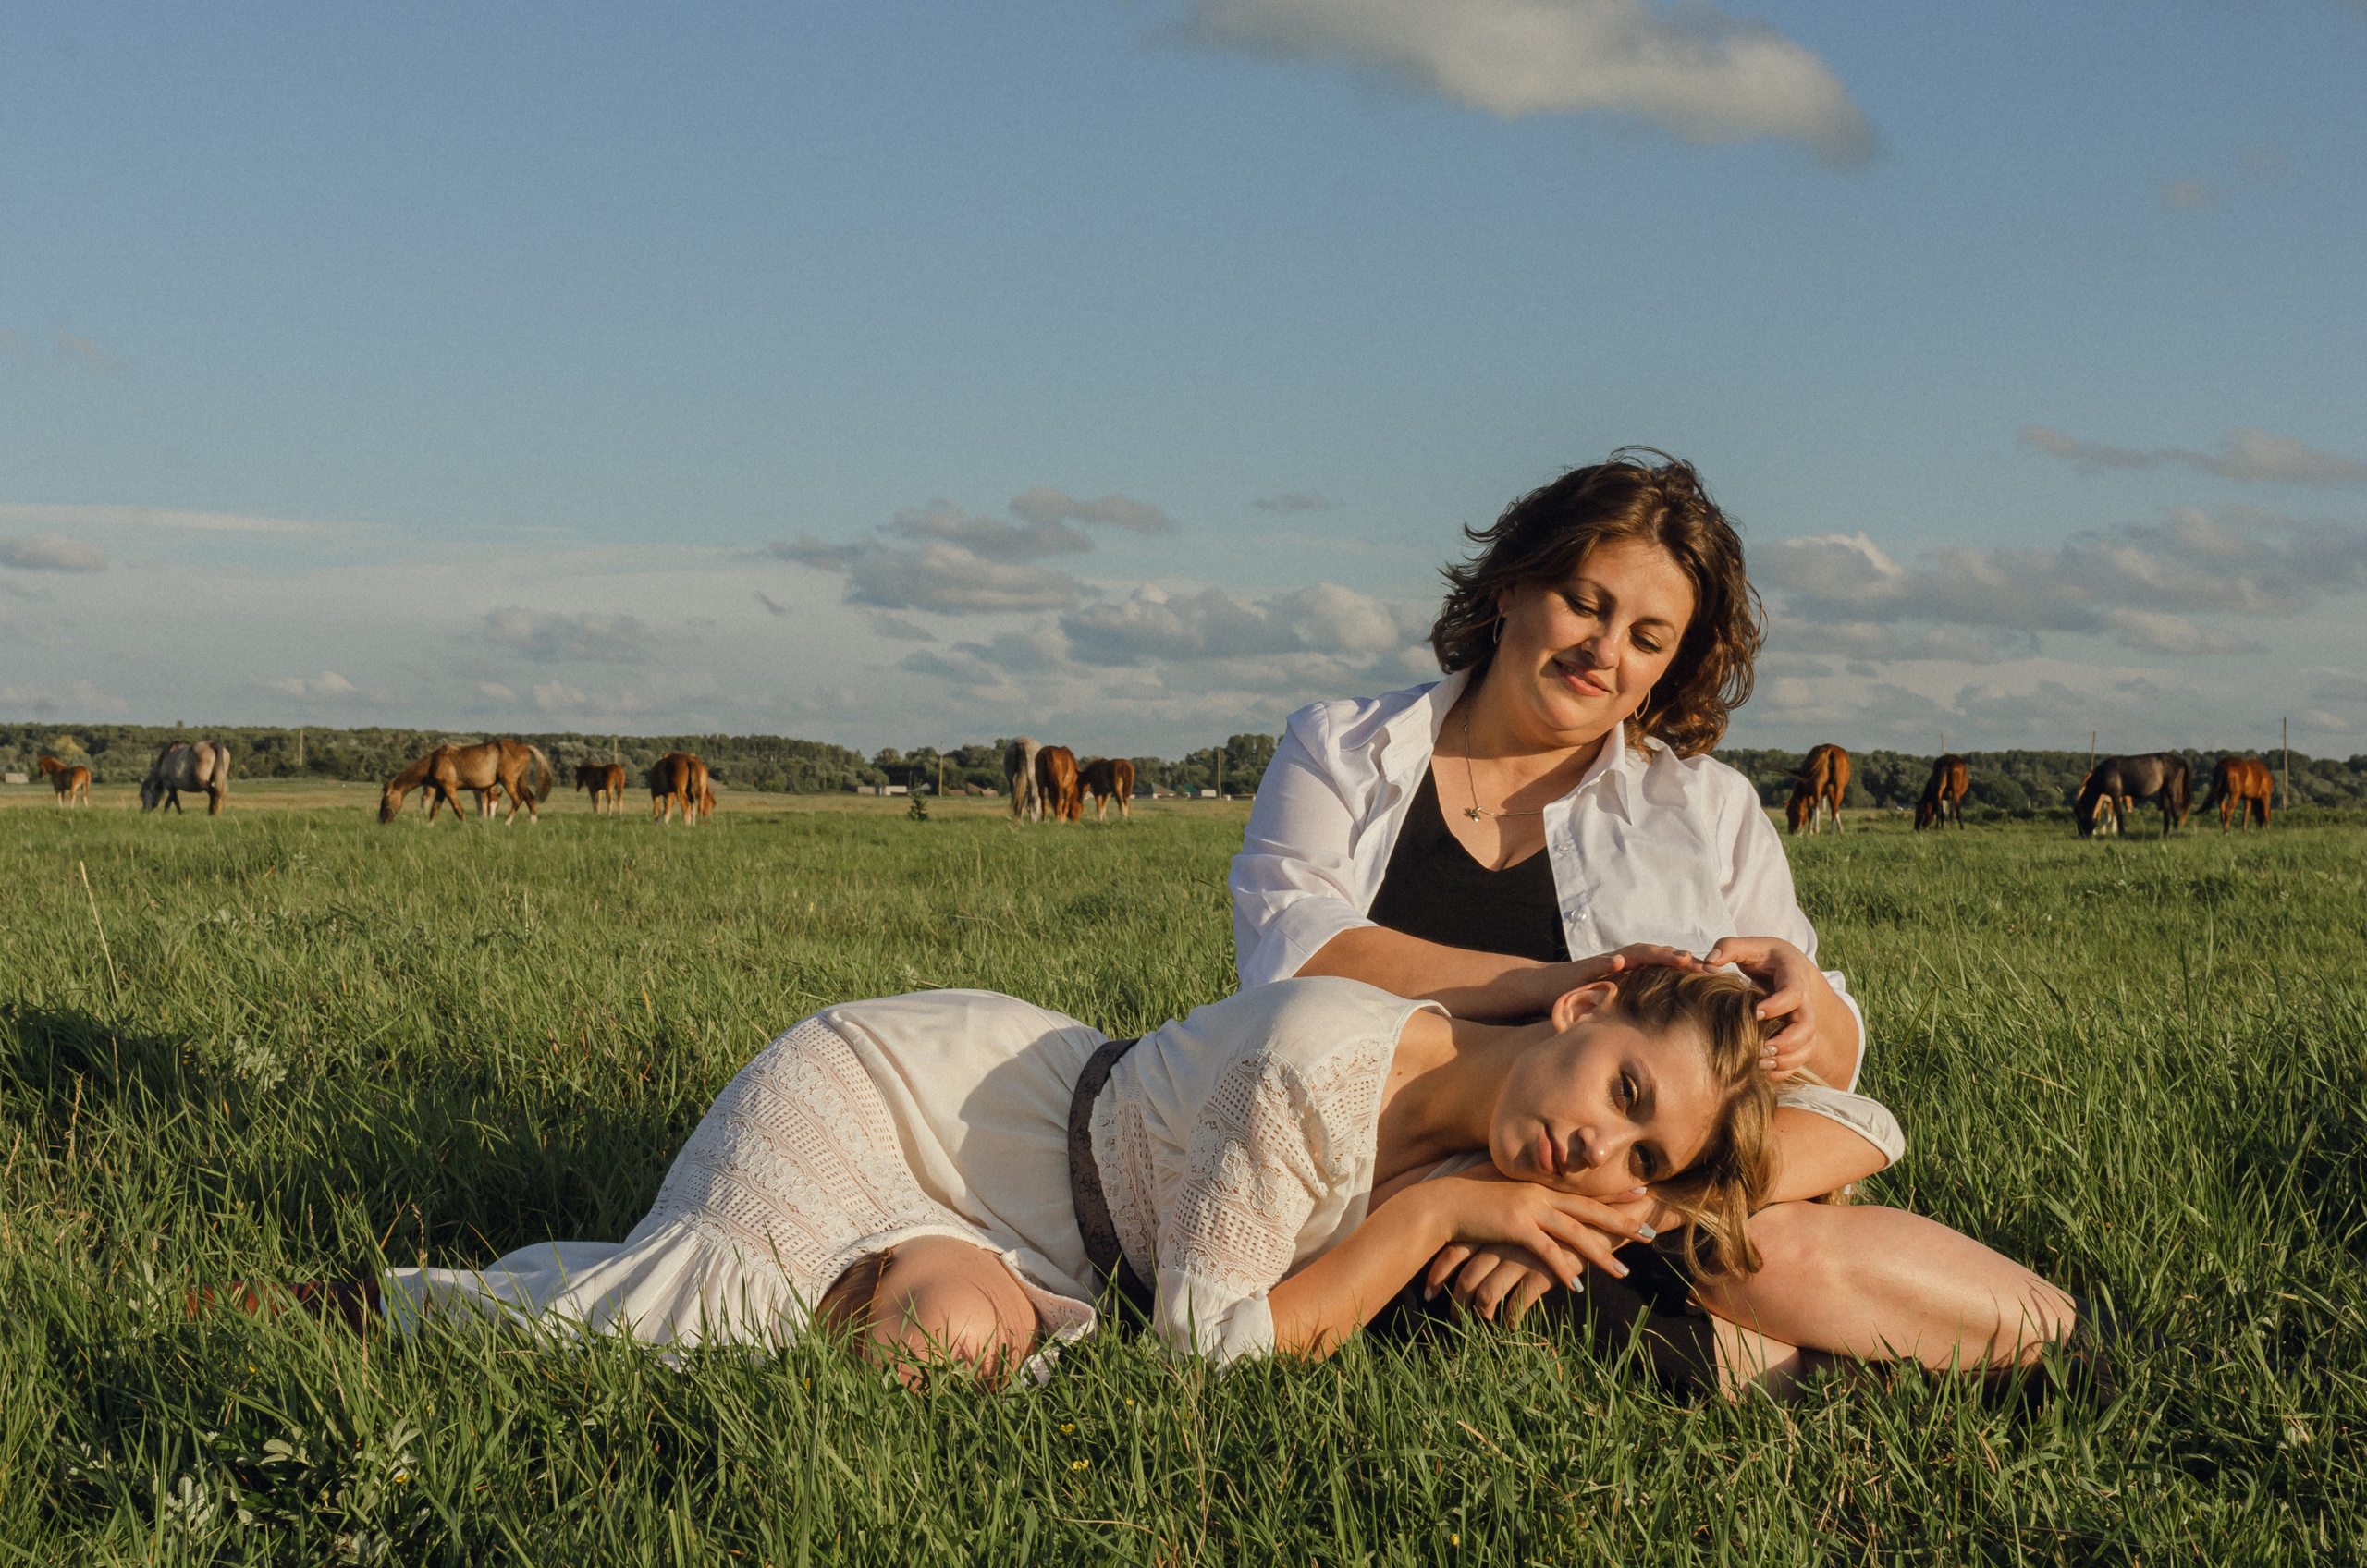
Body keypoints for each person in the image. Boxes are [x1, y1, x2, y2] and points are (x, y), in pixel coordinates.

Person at [1232, 451, 2083, 1382]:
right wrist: (1554, 983)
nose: (1606, 650)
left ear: (1671, 665)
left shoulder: (1706, 808)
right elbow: (1297, 957)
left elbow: (1822, 1084)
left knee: (1769, 1247)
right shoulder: (1344, 748)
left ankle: (2094, 1353)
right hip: (1383, 1202)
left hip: (1626, 1196)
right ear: (1511, 585)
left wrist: (1807, 1011)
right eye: (1585, 602)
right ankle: (1864, 1372)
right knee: (1624, 1293)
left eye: (1647, 636)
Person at [377, 966, 1858, 1391]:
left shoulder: (1519, 1112)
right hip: (901, 1107)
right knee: (682, 1331)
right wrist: (1433, 1216)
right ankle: (368, 1308)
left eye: (1641, 1155)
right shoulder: (1318, 1070)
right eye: (1622, 1094)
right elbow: (1201, 1356)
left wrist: (1809, 1012)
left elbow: (1875, 1127)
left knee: (945, 1347)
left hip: (1025, 1225)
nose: (1600, 1153)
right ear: (1586, 1004)